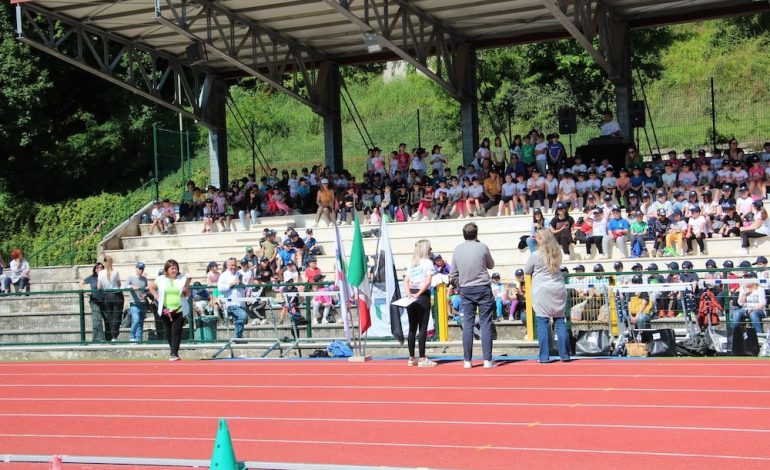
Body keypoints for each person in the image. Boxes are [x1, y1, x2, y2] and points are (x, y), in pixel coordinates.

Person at [449, 222, 496, 369]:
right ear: (476, 234)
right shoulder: (482, 247)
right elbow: (491, 265)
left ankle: (467, 360)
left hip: (466, 288)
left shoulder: (457, 250)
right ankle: (487, 360)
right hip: (482, 287)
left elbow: (453, 273)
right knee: (485, 323)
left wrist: (459, 286)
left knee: (468, 324)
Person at [524, 228, 570, 363]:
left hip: (541, 290)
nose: (535, 239)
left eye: (537, 237)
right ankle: (565, 355)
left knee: (543, 322)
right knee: (560, 322)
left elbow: (527, 270)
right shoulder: (558, 252)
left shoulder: (535, 255)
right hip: (557, 288)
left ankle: (544, 356)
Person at [148, 259, 190, 361]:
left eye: (176, 268)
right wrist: (156, 297)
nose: (174, 271)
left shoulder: (182, 279)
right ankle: (173, 350)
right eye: (172, 269)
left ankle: (174, 353)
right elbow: (151, 287)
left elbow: (188, 294)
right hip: (165, 309)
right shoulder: (161, 279)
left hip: (179, 309)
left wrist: (186, 290)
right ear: (167, 270)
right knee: (168, 331)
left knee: (176, 330)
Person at [403, 239, 436, 367]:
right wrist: (419, 293)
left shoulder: (412, 263)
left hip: (411, 294)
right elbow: (427, 282)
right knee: (422, 327)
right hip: (422, 296)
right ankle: (422, 358)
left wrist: (409, 293)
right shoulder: (428, 263)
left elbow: (406, 280)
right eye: (430, 248)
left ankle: (411, 357)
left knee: (412, 327)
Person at [218, 257, 249, 336]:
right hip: (231, 303)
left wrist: (241, 284)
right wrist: (232, 283)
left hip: (241, 302)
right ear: (227, 265)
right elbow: (220, 288)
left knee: (240, 320)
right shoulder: (223, 275)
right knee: (243, 316)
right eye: (231, 265)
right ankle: (237, 336)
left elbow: (245, 287)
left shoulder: (240, 274)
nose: (233, 267)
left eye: (235, 265)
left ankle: (238, 337)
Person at [97, 255, 123, 341]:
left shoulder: (100, 273)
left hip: (107, 296)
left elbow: (99, 287)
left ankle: (113, 336)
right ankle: (115, 335)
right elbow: (119, 284)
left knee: (110, 316)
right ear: (111, 262)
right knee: (117, 315)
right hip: (116, 295)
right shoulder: (115, 272)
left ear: (104, 263)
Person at [80, 262, 108, 342]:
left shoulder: (106, 277)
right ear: (95, 269)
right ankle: (98, 339)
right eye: (98, 267)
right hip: (95, 300)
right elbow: (81, 282)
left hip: (105, 300)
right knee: (97, 319)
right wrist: (86, 291)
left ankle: (109, 339)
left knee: (108, 319)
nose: (100, 269)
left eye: (101, 267)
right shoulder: (92, 277)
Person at [125, 262, 149, 342]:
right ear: (136, 268)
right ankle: (132, 336)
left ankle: (138, 339)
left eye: (142, 269)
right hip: (134, 303)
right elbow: (125, 286)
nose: (141, 270)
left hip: (142, 302)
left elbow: (146, 289)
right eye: (139, 268)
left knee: (140, 322)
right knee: (136, 319)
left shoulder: (144, 279)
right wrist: (132, 286)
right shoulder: (131, 278)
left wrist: (145, 294)